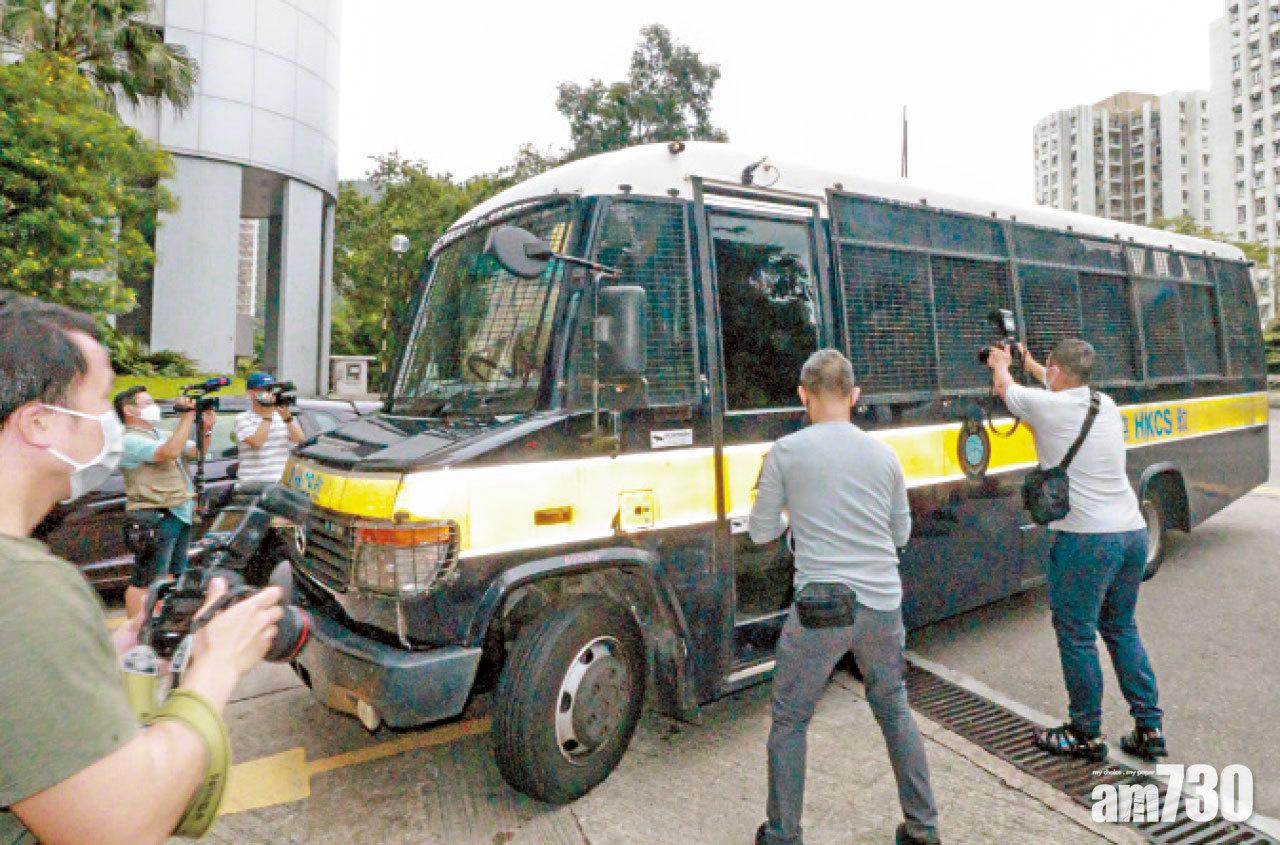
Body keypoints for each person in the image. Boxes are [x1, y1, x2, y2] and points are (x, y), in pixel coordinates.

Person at [0, 292, 284, 844]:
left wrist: (97, 656)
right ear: (38, 423)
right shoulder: (24, 589)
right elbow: (122, 824)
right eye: (101, 400)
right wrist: (217, 663)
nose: (109, 421)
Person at [750, 349, 941, 845]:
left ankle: (783, 833)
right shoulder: (884, 456)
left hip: (820, 611)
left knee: (790, 720)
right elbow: (900, 534)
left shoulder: (785, 453)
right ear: (854, 397)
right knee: (894, 706)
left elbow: (758, 532)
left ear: (803, 396)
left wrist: (799, 520)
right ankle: (923, 830)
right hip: (881, 605)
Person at [986, 338, 1165, 763]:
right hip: (1132, 533)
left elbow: (1004, 389)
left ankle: (1085, 733)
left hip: (1087, 541)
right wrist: (1031, 362)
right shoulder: (1105, 404)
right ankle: (1149, 727)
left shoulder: (1046, 406)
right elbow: (1050, 387)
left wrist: (1001, 363)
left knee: (1077, 634)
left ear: (1058, 372)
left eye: (1048, 368)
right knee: (1121, 628)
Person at [115, 385, 216, 619]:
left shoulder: (159, 433)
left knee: (172, 576)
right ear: (129, 410)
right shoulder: (128, 440)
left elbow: (195, 452)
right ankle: (136, 632)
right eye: (147, 403)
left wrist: (206, 430)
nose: (155, 407)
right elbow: (168, 453)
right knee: (145, 580)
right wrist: (187, 419)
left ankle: (160, 624)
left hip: (179, 511)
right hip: (153, 515)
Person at [235, 372, 304, 483]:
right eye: (263, 389)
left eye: (270, 389)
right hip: (253, 484)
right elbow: (257, 442)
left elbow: (300, 440)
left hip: (281, 482)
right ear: (251, 393)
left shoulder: (280, 414)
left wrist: (287, 418)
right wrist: (267, 414)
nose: (268, 393)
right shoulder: (243, 418)